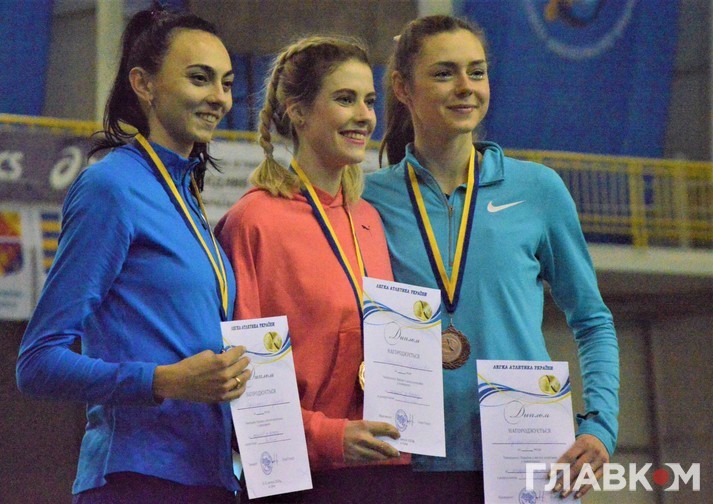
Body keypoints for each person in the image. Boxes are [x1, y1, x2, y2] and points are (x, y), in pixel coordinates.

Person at [363, 14, 620, 501]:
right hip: (406, 460)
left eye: (476, 72)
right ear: (402, 88)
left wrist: (600, 425)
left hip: (525, 456)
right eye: (444, 73)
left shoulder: (537, 189)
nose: (466, 87)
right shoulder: (367, 198)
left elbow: (592, 319)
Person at [16, 7, 250, 503]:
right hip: (135, 479)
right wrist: (162, 381)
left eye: (227, 83)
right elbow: (37, 362)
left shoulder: (188, 196)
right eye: (199, 78)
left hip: (209, 477)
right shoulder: (110, 187)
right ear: (144, 84)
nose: (219, 97)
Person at [215, 36, 410, 502]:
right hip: (295, 478)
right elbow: (243, 379)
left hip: (381, 469)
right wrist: (328, 436)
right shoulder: (254, 222)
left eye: (369, 101)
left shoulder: (368, 219)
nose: (364, 115)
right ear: (298, 112)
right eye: (345, 99)